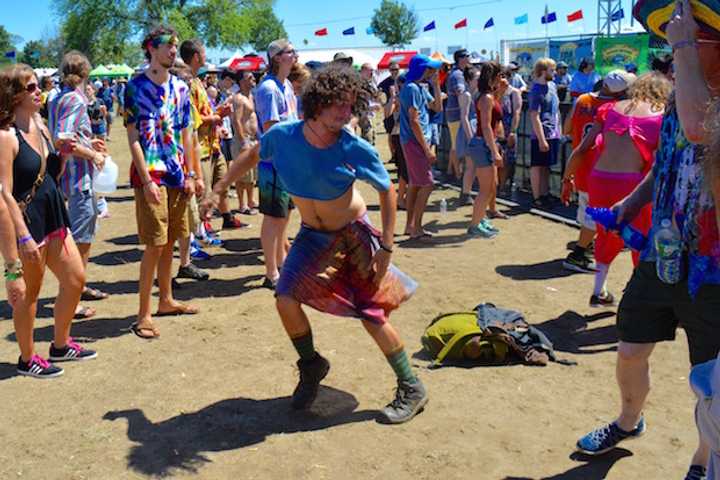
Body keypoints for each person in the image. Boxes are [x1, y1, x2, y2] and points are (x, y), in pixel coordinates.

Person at [204, 64, 427, 424]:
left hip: (353, 235)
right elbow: (252, 154)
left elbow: (386, 190)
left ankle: (411, 385)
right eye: (337, 103)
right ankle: (311, 365)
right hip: (311, 235)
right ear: (317, 103)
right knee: (285, 298)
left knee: (371, 314)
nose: (344, 111)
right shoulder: (284, 136)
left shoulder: (352, 146)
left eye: (350, 104)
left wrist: (386, 247)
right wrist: (219, 188)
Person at [576, 3, 720, 479]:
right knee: (631, 351)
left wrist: (681, 47)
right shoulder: (683, 97)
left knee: (710, 384)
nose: (676, 44)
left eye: (690, 36)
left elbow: (702, 130)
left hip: (713, 273)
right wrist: (629, 206)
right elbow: (666, 163)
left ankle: (702, 461)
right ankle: (628, 421)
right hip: (662, 257)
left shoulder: (707, 103)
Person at [0, 64, 97, 378]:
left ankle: (60, 344)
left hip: (53, 211)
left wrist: (71, 153)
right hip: (27, 223)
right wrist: (20, 245)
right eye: (30, 88)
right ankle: (28, 358)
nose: (39, 91)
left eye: (38, 85)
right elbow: (4, 195)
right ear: (13, 95)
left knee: (75, 279)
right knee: (30, 292)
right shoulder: (5, 136)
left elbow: (49, 170)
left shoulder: (40, 123)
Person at [567, 72, 671, 306]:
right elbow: (660, 160)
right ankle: (639, 297)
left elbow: (583, 148)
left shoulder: (609, 109)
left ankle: (599, 291)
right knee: (641, 238)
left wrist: (567, 178)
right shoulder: (662, 115)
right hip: (633, 182)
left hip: (599, 179)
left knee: (605, 235)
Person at [124, 26, 199, 339]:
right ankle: (143, 314)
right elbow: (133, 138)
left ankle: (166, 300)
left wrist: (192, 174)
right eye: (168, 46)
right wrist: (146, 179)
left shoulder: (181, 88)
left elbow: (186, 133)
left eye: (176, 46)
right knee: (154, 243)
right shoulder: (134, 87)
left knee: (171, 239)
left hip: (176, 175)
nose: (173, 51)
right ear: (151, 49)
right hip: (150, 177)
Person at [49, 51, 109, 314]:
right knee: (80, 240)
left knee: (78, 236)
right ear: (85, 73)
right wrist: (92, 153)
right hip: (78, 180)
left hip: (69, 179)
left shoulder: (57, 97)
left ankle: (78, 287)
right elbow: (64, 140)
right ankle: (71, 297)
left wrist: (87, 142)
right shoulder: (74, 99)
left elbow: (64, 136)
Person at [561, 70, 635, 274]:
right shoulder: (616, 108)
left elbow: (566, 128)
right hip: (603, 171)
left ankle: (586, 249)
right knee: (594, 217)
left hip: (581, 166)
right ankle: (578, 254)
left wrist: (567, 176)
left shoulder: (582, 99)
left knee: (590, 214)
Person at [180, 39, 244, 232]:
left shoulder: (198, 81)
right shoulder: (188, 84)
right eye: (204, 53)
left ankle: (226, 217)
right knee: (203, 190)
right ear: (197, 57)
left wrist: (217, 112)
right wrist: (218, 116)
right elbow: (192, 119)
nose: (206, 57)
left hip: (213, 144)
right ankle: (200, 230)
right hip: (200, 147)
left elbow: (201, 112)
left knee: (222, 183)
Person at [253, 38, 299, 289]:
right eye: (291, 52)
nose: (296, 56)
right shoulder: (269, 88)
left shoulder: (287, 85)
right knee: (273, 217)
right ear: (278, 57)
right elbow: (271, 128)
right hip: (273, 162)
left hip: (288, 160)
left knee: (284, 215)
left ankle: (281, 262)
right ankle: (271, 272)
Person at [399, 54, 443, 239]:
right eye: (430, 68)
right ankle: (416, 227)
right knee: (427, 184)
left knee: (416, 185)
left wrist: (437, 85)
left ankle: (411, 226)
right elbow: (414, 120)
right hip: (415, 142)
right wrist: (426, 149)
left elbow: (437, 107)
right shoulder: (412, 88)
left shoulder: (418, 87)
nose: (433, 72)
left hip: (414, 141)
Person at [465, 61, 504, 238]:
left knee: (491, 186)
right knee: (485, 189)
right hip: (484, 144)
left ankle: (479, 220)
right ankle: (474, 225)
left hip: (485, 143)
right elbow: (487, 126)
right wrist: (494, 151)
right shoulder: (486, 98)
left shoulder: (488, 96)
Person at [528, 58, 561, 206]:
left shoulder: (552, 86)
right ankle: (536, 197)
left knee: (547, 165)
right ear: (543, 71)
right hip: (540, 133)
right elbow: (534, 115)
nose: (554, 73)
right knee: (537, 165)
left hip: (553, 132)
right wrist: (541, 139)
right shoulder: (535, 91)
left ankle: (545, 193)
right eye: (551, 70)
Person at [230, 70, 259, 215]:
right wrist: (243, 141)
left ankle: (250, 201)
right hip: (243, 140)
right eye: (249, 77)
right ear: (241, 81)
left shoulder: (252, 96)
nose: (253, 79)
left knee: (252, 175)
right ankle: (242, 205)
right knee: (242, 174)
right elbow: (236, 120)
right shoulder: (239, 98)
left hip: (253, 140)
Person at [445, 49, 471, 187]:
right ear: (461, 59)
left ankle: (451, 172)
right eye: (468, 56)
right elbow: (460, 93)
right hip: (457, 114)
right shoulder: (458, 75)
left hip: (453, 113)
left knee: (454, 145)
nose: (469, 59)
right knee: (456, 146)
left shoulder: (456, 73)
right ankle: (458, 175)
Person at [384, 74, 408, 211]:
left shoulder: (407, 96)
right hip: (399, 136)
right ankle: (400, 199)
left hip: (404, 136)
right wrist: (393, 97)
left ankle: (402, 198)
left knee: (405, 170)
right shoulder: (397, 99)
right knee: (404, 170)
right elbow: (387, 114)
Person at [456, 65, 478, 209]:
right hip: (468, 129)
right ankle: (465, 193)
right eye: (477, 77)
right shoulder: (467, 95)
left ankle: (466, 192)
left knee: (472, 165)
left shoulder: (473, 93)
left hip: (472, 127)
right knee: (471, 165)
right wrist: (471, 138)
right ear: (470, 79)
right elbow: (464, 117)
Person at [498, 66, 522, 194]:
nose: (502, 79)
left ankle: (503, 186)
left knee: (508, 160)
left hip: (509, 129)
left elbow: (517, 112)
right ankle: (497, 186)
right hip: (496, 129)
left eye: (504, 76)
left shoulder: (514, 92)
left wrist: (513, 131)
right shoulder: (495, 92)